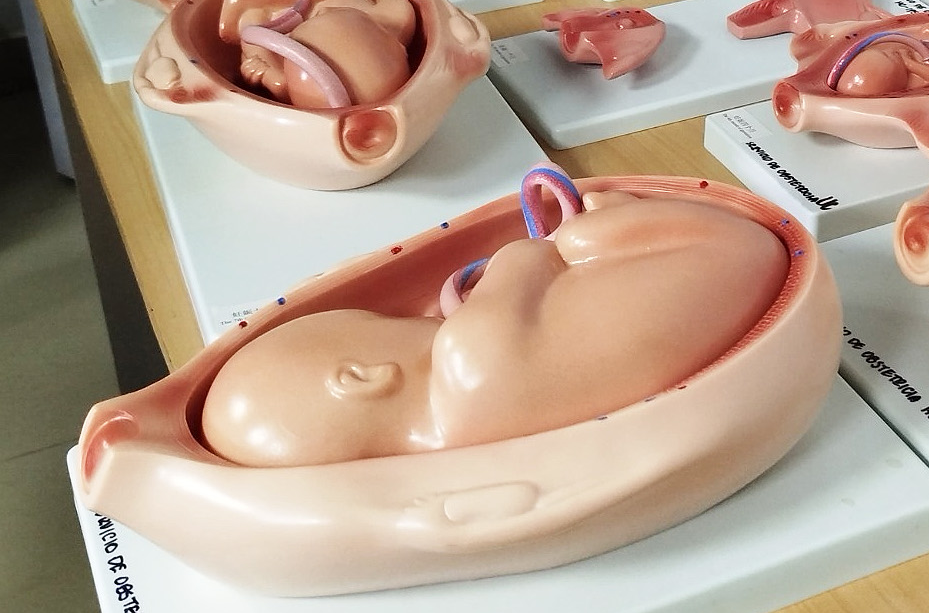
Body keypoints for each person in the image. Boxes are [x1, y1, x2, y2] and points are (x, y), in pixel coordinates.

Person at [201, 182, 788, 467]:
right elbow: (527, 257)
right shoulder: (467, 361)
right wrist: (509, 273)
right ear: (364, 376)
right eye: (373, 318)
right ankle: (627, 221)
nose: (412, 317)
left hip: (709, 288)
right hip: (719, 250)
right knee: (579, 237)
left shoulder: (450, 443)